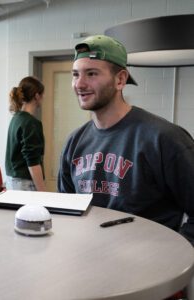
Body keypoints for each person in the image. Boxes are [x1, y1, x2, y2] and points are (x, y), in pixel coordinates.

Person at [58, 35, 194, 245]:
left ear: (120, 79)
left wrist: (175, 255)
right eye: (75, 74)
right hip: (88, 261)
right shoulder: (74, 142)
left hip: (150, 267)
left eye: (92, 73)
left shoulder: (164, 139)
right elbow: (67, 209)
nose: (80, 83)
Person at [5, 76, 46, 191]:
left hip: (11, 181)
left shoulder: (16, 118)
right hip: (25, 183)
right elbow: (32, 161)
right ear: (37, 96)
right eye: (42, 95)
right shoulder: (31, 123)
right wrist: (43, 191)